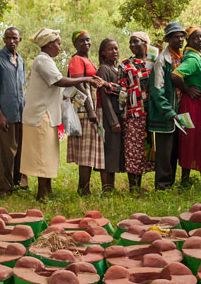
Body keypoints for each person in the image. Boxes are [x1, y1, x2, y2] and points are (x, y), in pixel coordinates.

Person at [19, 29, 100, 201]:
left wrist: (70, 95)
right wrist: (85, 79)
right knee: (42, 154)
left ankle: (47, 189)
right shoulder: (42, 60)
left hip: (48, 115)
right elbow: (60, 81)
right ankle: (41, 194)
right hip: (41, 115)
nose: (60, 47)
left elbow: (57, 87)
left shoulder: (48, 61)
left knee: (48, 153)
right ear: (49, 44)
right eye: (58, 44)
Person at [0, 26, 26, 194]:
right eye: (8, 38)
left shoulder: (21, 60)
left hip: (20, 112)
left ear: (19, 40)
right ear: (4, 40)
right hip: (4, 113)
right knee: (5, 153)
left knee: (20, 150)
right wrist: (0, 115)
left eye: (14, 38)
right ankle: (4, 187)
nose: (11, 41)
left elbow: (22, 87)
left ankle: (19, 183)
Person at [66, 31, 104, 195]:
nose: (85, 43)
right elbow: (79, 86)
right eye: (81, 41)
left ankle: (84, 187)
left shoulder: (87, 59)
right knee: (85, 150)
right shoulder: (76, 59)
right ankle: (83, 188)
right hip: (84, 108)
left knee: (89, 148)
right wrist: (90, 110)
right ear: (75, 44)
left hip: (91, 105)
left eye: (88, 40)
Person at [172, 26, 201, 184]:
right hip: (192, 105)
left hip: (199, 104)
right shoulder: (193, 59)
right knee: (190, 139)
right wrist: (187, 89)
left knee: (199, 138)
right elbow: (175, 75)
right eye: (195, 38)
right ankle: (185, 179)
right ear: (189, 41)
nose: (200, 40)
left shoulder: (198, 56)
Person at [150, 22, 184, 189]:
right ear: (168, 39)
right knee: (164, 152)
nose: (180, 39)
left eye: (182, 36)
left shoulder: (183, 58)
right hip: (166, 114)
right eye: (176, 37)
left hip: (180, 111)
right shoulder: (162, 60)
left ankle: (171, 182)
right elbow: (157, 90)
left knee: (175, 151)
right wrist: (169, 111)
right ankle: (162, 185)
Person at [119, 32, 155, 191]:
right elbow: (122, 89)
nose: (132, 45)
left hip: (153, 114)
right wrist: (120, 112)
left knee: (149, 149)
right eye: (130, 42)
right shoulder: (126, 64)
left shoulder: (154, 62)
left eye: (136, 42)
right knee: (133, 150)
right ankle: (134, 187)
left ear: (146, 43)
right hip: (133, 113)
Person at [96, 38, 124, 191]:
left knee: (114, 152)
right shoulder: (103, 70)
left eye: (116, 48)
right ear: (103, 53)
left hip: (118, 114)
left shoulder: (117, 69)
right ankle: (106, 188)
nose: (114, 51)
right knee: (108, 152)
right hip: (108, 118)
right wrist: (113, 121)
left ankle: (111, 187)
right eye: (110, 49)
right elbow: (104, 98)